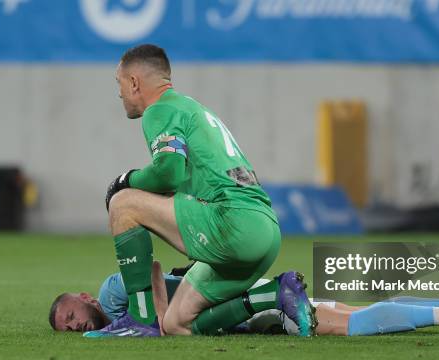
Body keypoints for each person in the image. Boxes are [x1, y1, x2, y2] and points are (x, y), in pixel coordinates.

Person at [93, 43, 315, 337]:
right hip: (265, 231)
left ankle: (140, 318)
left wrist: (125, 179)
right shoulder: (190, 108)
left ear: (134, 83)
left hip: (232, 223)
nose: (119, 93)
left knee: (123, 203)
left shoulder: (159, 110)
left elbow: (168, 173)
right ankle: (276, 293)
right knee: (175, 324)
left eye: (119, 83)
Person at [50, 262, 439, 337]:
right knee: (351, 314)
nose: (72, 325)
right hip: (242, 300)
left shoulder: (115, 291)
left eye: (70, 313)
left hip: (247, 303)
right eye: (65, 327)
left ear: (86, 297)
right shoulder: (114, 324)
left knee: (342, 326)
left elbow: (151, 285)